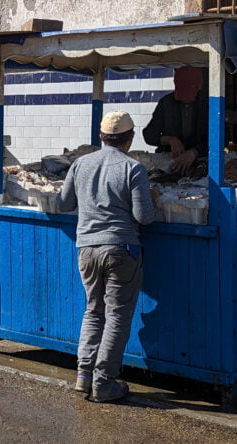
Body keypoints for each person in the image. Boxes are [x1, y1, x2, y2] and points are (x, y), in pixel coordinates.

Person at [56, 110, 158, 403]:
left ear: (100, 137)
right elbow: (143, 217)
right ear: (130, 138)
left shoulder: (80, 163)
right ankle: (104, 382)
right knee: (116, 316)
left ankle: (83, 376)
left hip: (86, 249)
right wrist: (152, 198)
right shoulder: (133, 168)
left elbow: (63, 204)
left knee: (93, 311)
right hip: (121, 249)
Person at [142, 65, 208, 175]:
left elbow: (223, 138)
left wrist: (194, 152)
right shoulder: (166, 103)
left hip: (200, 162)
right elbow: (148, 135)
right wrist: (170, 140)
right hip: (170, 163)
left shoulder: (208, 104)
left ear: (198, 87)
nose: (186, 101)